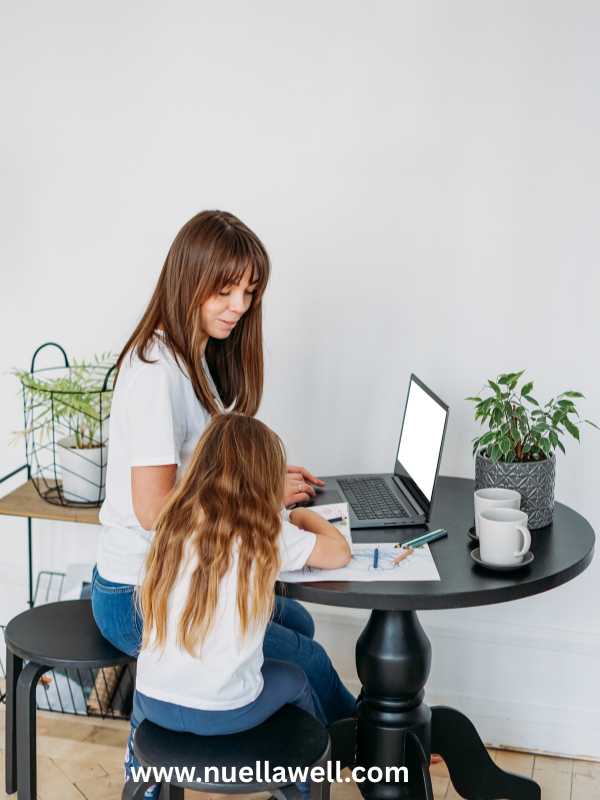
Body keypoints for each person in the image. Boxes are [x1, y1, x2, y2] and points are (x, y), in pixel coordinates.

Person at [91, 210, 357, 793]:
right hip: (137, 592)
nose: (239, 305)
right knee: (304, 659)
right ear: (190, 278)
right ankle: (363, 747)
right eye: (226, 290)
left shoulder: (194, 360)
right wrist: (253, 502)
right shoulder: (156, 370)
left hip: (181, 577)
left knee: (298, 618)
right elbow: (155, 509)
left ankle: (346, 740)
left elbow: (203, 471)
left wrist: (258, 480)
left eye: (249, 292)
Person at [130, 414, 351, 797]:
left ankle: (138, 771)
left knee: (158, 670)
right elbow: (339, 553)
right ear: (264, 477)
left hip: (153, 703)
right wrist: (301, 515)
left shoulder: (172, 521)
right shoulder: (264, 530)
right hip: (225, 711)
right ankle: (305, 784)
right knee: (297, 678)